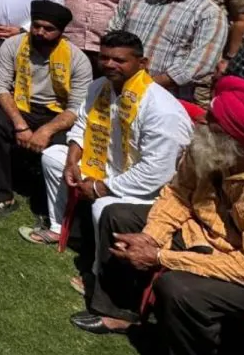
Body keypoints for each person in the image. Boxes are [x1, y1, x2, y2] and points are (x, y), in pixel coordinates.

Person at [76, 76, 244, 355]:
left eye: (213, 120)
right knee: (119, 216)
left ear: (240, 141)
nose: (201, 120)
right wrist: (152, 237)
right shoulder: (210, 149)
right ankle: (118, 312)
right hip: (203, 235)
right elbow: (178, 195)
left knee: (180, 287)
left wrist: (160, 257)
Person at [26, 31, 191, 258]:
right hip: (104, 164)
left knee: (102, 207)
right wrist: (72, 162)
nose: (109, 64)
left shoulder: (161, 109)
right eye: (104, 57)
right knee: (54, 157)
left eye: (119, 60)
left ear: (142, 63)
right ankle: (59, 228)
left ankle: (97, 266)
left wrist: (99, 188)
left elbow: (156, 172)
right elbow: (82, 124)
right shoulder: (100, 86)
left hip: (146, 187)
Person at [0, 0, 92, 220]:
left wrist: (46, 130)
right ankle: (0, 195)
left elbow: (77, 107)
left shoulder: (78, 59)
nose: (40, 32)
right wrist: (20, 125)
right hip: (18, 105)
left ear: (61, 32)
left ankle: (47, 206)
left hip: (55, 113)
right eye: (36, 26)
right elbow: (1, 87)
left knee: (63, 144)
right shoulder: (13, 44)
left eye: (48, 29)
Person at [108, 0, 226, 99]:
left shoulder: (207, 12)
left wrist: (146, 85)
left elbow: (200, 64)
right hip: (119, 87)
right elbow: (112, 35)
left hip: (167, 96)